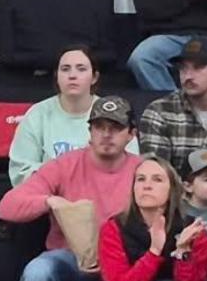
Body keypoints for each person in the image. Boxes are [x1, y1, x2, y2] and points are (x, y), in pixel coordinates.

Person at [0, 96, 143, 281]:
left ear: (131, 134)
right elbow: (7, 206)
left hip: (126, 266)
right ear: (89, 132)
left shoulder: (144, 170)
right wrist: (50, 201)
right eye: (99, 127)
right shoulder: (65, 164)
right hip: (73, 262)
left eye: (116, 128)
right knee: (37, 274)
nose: (106, 135)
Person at [12, 45, 139, 187]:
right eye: (65, 69)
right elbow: (21, 172)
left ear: (94, 77)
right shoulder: (37, 114)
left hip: (105, 196)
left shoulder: (114, 113)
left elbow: (131, 169)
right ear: (57, 76)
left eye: (81, 69)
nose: (72, 75)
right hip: (49, 199)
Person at [139, 37, 207, 175]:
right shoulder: (159, 112)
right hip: (177, 195)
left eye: (198, 67)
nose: (188, 76)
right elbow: (156, 177)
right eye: (183, 68)